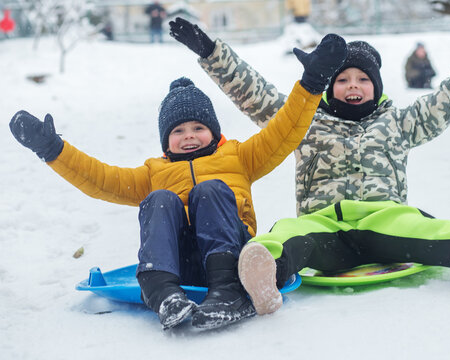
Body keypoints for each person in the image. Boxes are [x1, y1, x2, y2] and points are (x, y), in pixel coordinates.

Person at [169, 16, 450, 316]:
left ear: (376, 86)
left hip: (385, 220)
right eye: (342, 79)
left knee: (431, 228)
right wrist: (211, 52)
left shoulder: (399, 122)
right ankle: (265, 270)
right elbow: (254, 93)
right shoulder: (304, 120)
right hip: (325, 224)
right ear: (329, 87)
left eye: (363, 79)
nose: (353, 85)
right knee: (287, 230)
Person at [8, 34, 347, 329]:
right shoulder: (153, 172)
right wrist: (52, 150)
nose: (189, 137)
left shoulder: (240, 157)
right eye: (178, 131)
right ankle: (163, 294)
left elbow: (284, 131)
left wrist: (313, 82)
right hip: (177, 265)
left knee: (210, 190)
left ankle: (228, 293)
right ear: (165, 140)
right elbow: (99, 178)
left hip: (228, 256)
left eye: (198, 128)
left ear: (214, 132)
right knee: (160, 199)